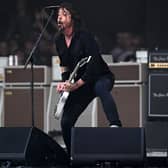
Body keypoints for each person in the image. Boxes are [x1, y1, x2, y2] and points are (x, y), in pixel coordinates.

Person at [55, 2, 122, 156]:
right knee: (65, 121)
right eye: (58, 15)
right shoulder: (58, 40)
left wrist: (76, 84)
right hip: (80, 84)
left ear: (72, 17)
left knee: (100, 88)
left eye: (64, 14)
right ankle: (72, 154)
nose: (60, 18)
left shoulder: (85, 36)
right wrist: (66, 82)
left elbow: (94, 65)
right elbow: (64, 65)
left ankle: (115, 125)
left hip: (100, 76)